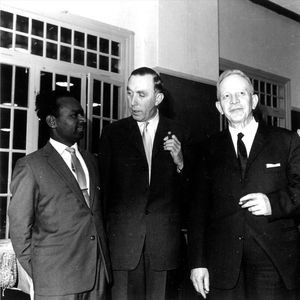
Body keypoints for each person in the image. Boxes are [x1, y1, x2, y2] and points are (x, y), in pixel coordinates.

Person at [188, 69, 300, 300]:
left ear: (254, 100)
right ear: (219, 107)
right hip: (223, 267)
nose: (235, 101)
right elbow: (197, 210)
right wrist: (197, 263)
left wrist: (275, 203)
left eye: (241, 93)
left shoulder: (286, 141)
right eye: (226, 96)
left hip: (274, 262)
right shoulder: (206, 149)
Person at [8, 90, 112, 300]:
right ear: (52, 121)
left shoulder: (92, 161)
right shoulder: (31, 166)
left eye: (82, 114)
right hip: (56, 282)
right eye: (74, 115)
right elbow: (19, 231)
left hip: (98, 278)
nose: (83, 119)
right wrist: (43, 273)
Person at [99, 67, 191, 300]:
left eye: (141, 95)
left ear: (158, 98)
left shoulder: (181, 132)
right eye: (130, 93)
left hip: (164, 246)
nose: (133, 102)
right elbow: (104, 195)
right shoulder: (112, 134)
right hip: (123, 247)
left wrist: (180, 162)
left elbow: (193, 194)